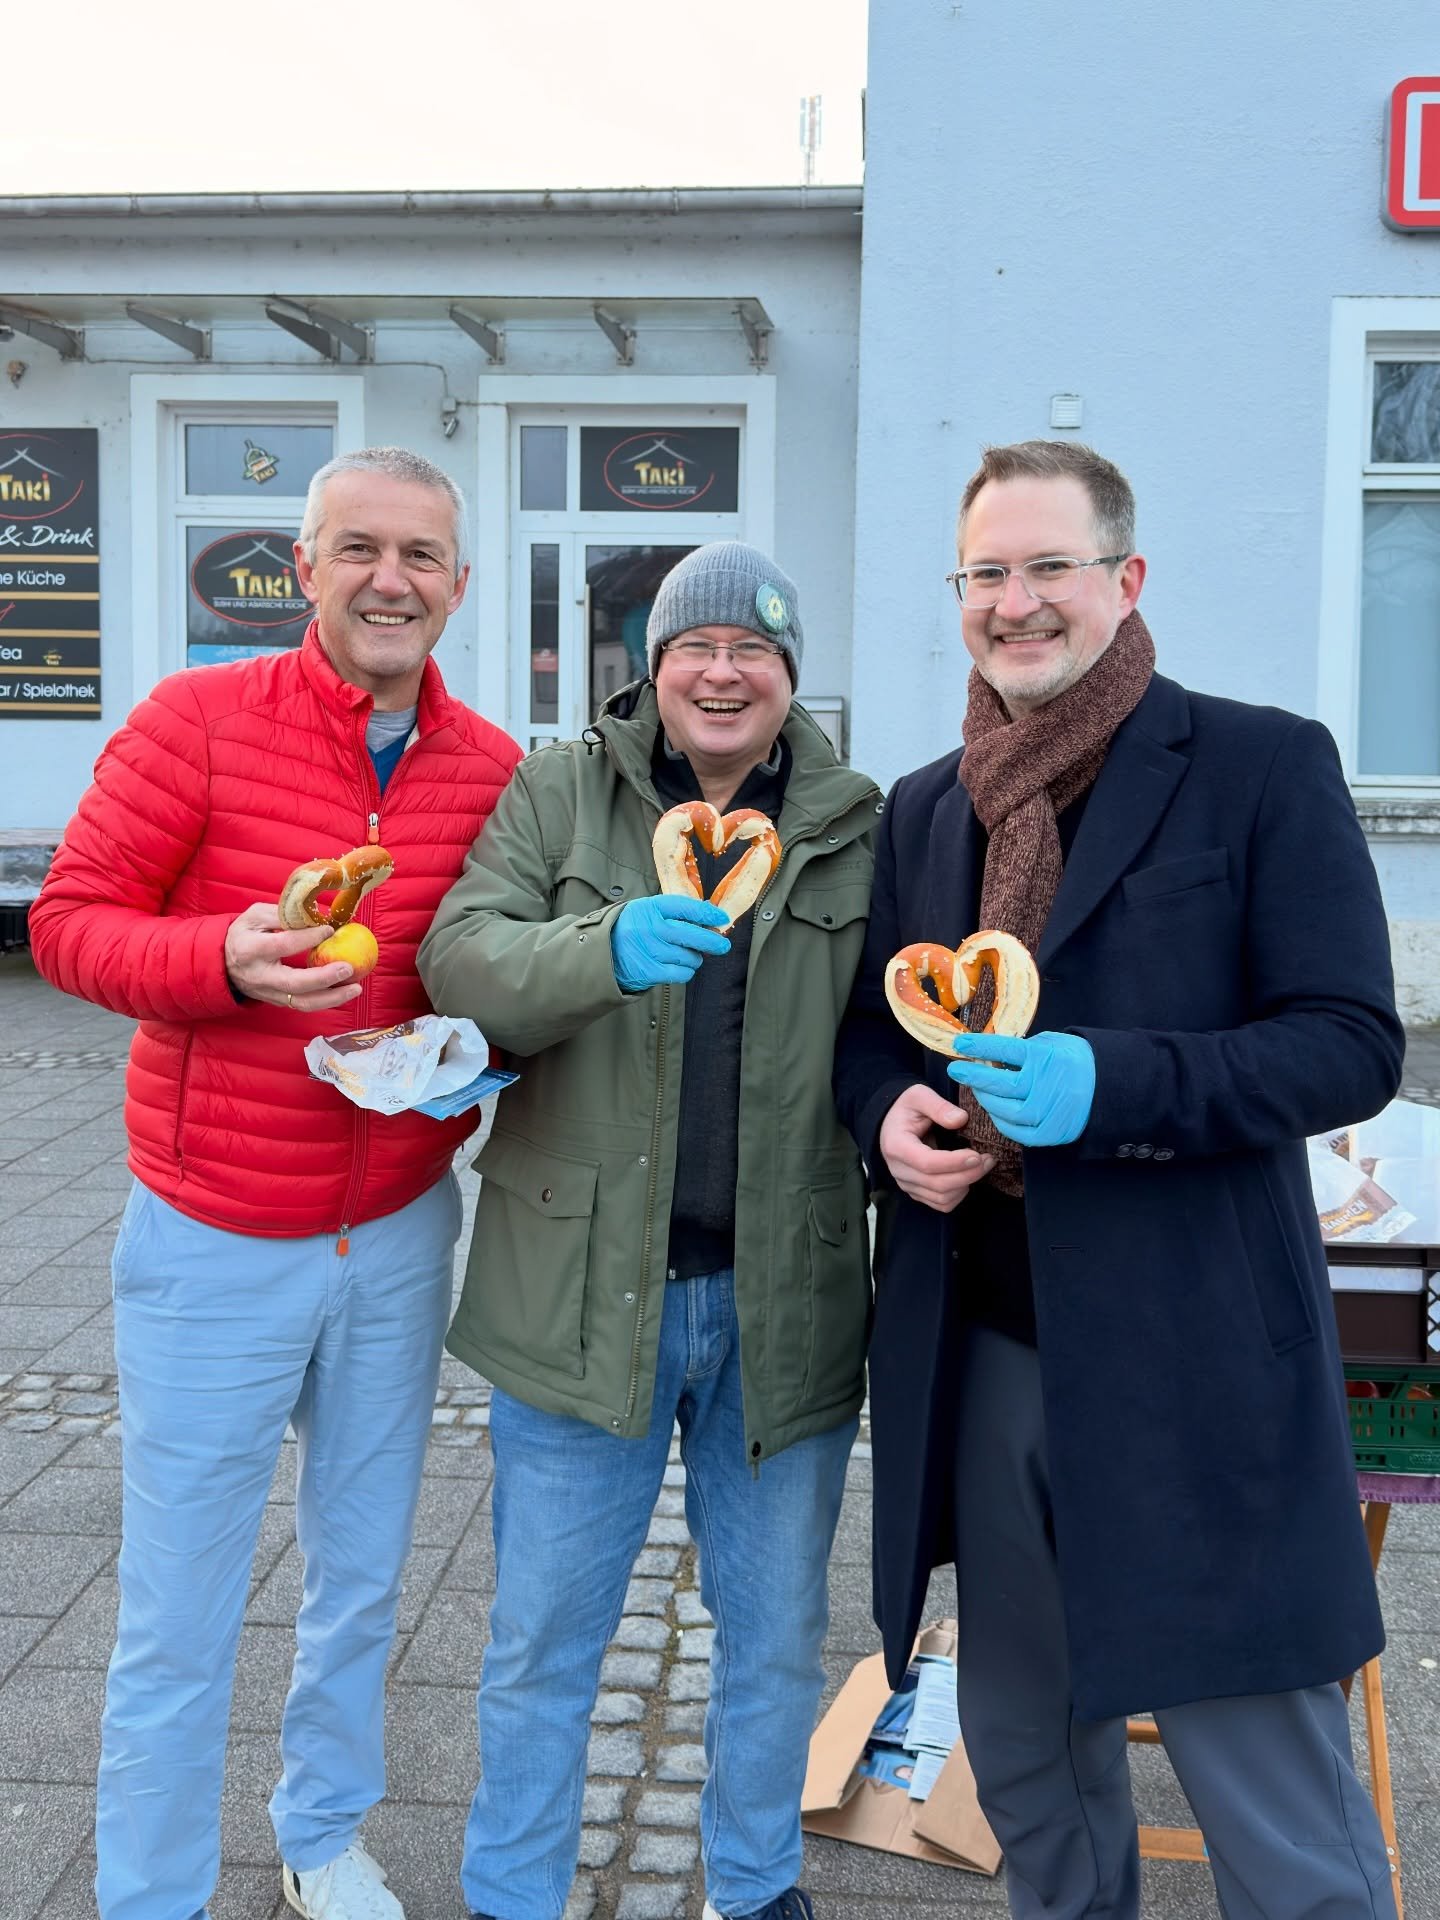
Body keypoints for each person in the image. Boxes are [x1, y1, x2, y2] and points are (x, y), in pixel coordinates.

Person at [833, 440, 1405, 1920]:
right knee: (1030, 1755)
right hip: (989, 1349)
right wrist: (889, 1118)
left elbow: (1350, 1044)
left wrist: (1117, 1084)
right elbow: (870, 1038)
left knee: (1263, 1780)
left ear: (1126, 579)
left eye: (1051, 568)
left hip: (1193, 1356)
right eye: (986, 574)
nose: (1016, 602)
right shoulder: (928, 809)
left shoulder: (1259, 764)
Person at [29, 447, 522, 1920]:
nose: (390, 580)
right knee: (179, 1602)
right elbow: (68, 921)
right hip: (216, 1233)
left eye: (421, 556)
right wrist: (217, 960)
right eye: (358, 548)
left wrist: (477, 1052)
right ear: (304, 568)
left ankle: (321, 1837)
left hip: (399, 1228)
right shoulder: (196, 722)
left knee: (362, 1576)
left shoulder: (490, 767)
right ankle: (152, 1895)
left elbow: (487, 969)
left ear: (459, 585)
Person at [418, 541, 880, 1920]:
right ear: (653, 666)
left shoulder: (857, 822)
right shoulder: (561, 791)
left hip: (783, 1303)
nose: (722, 674)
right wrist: (602, 948)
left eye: (754, 651)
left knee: (777, 1641)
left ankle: (757, 1885)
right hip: (576, 1289)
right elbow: (459, 958)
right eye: (696, 648)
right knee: (542, 1641)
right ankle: (512, 1896)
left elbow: (896, 1027)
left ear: (789, 675)